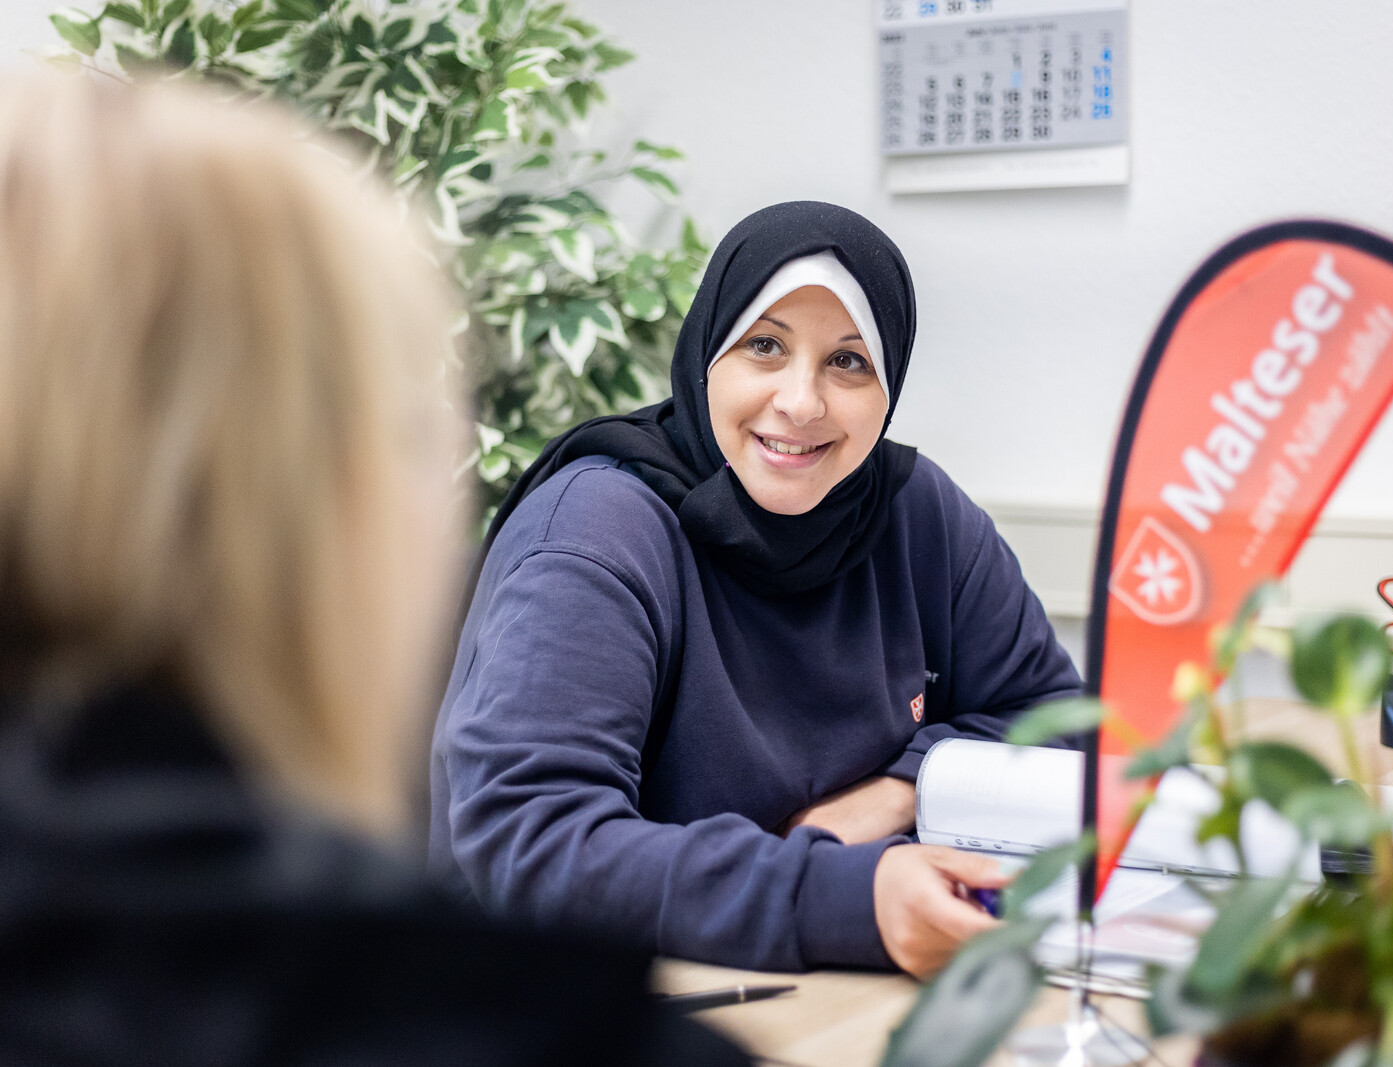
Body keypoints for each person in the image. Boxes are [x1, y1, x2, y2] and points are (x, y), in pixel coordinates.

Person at [0, 72, 745, 1066]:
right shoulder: (504, 1023)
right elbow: (541, 832)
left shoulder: (916, 513)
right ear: (323, 495)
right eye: (403, 425)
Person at [432, 201, 1085, 978]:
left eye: (848, 361)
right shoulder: (599, 531)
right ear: (709, 354)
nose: (801, 402)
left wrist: (904, 787)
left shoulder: (916, 515)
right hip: (567, 1002)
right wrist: (841, 895)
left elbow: (1059, 723)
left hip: (814, 996)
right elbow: (532, 842)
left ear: (890, 383)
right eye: (765, 346)